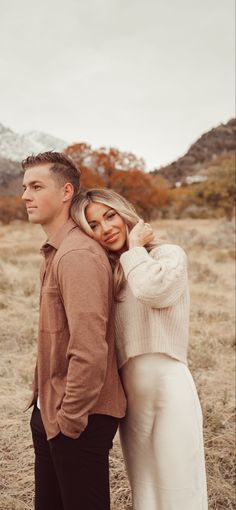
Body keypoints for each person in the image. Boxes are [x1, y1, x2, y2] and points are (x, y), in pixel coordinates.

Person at [71, 188, 208, 510]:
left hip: (168, 381)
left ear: (124, 213)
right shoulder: (107, 273)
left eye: (109, 216)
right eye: (93, 225)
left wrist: (134, 247)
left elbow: (152, 292)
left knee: (179, 480)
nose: (105, 229)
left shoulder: (168, 255)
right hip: (129, 392)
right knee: (145, 487)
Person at [21, 153, 126, 510]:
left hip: (79, 416)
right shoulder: (57, 250)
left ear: (67, 191)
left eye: (36, 186)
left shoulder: (77, 255)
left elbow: (89, 348)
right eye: (24, 187)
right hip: (53, 409)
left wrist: (70, 420)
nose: (25, 196)